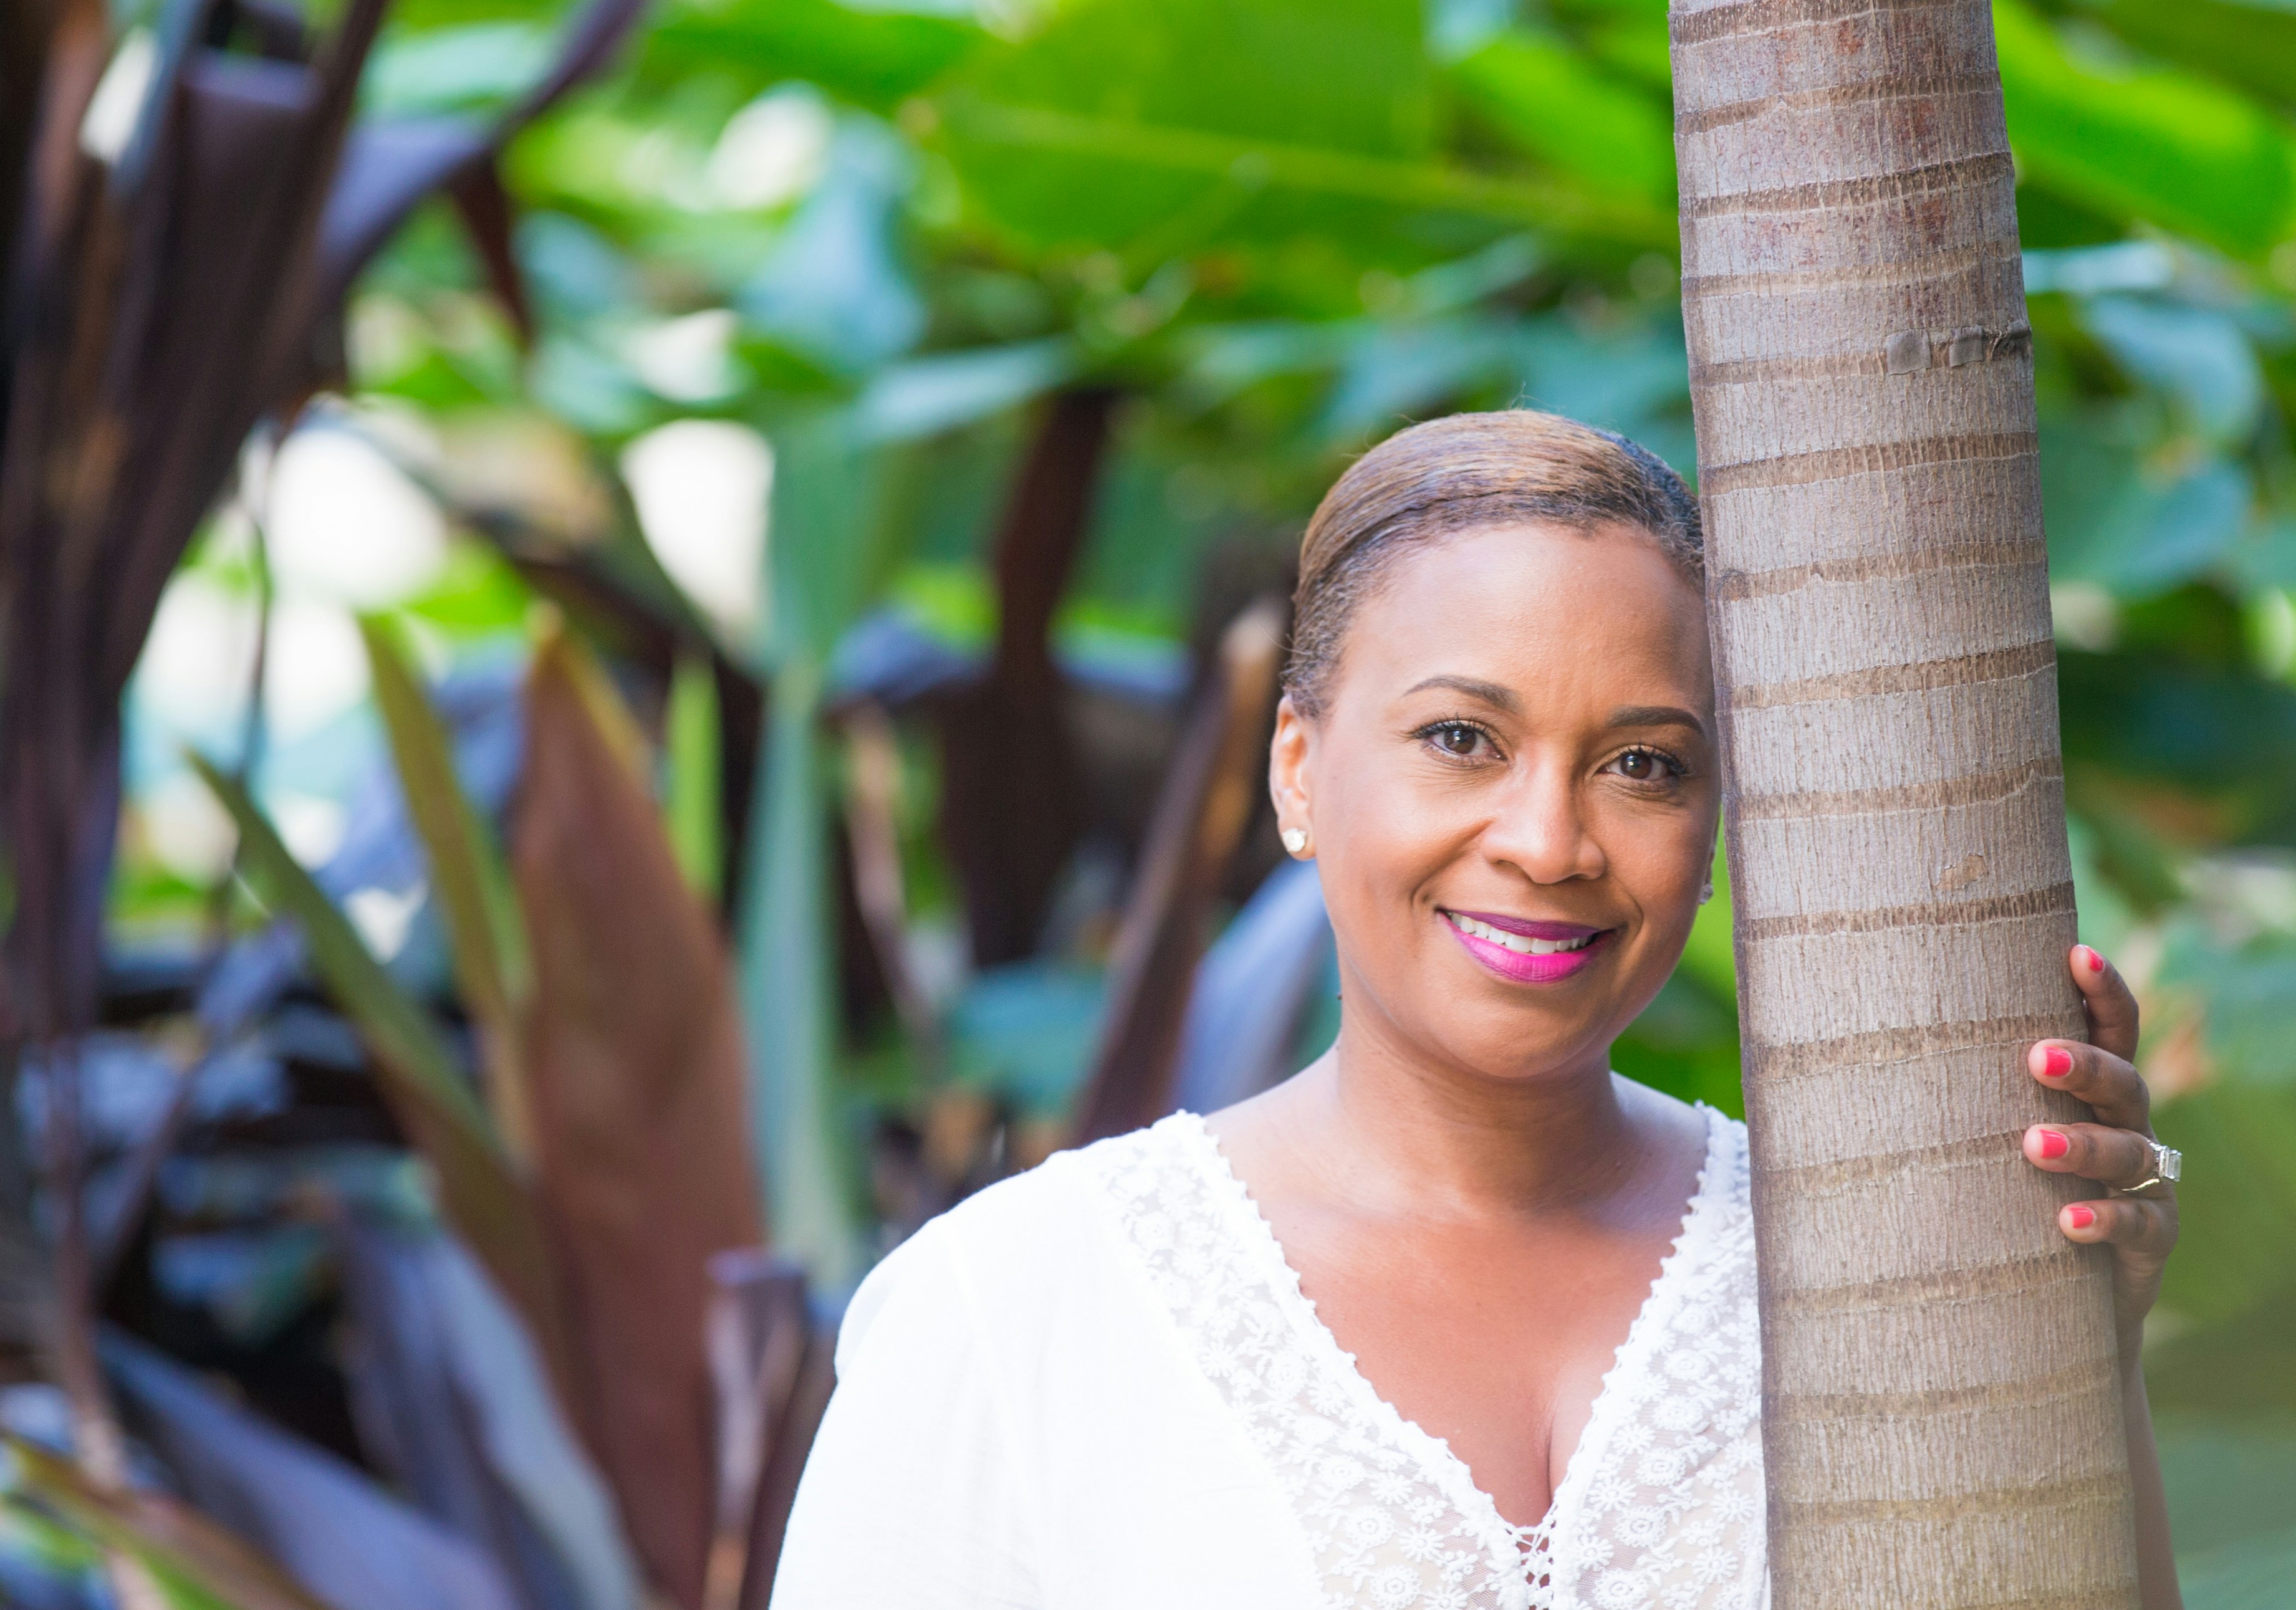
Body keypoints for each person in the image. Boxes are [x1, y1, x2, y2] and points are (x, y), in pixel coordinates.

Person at [769, 411, 2182, 1610]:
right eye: (1461, 738)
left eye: (1643, 763)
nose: (1548, 842)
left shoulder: (1879, 1272)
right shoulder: (1019, 1307)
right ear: (1297, 768)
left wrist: (2083, 1351)